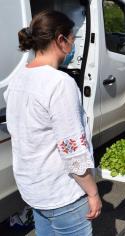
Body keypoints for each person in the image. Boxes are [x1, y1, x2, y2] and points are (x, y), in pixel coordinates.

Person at [4, 10, 101, 235]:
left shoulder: (18, 79)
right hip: (63, 194)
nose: (73, 44)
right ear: (60, 40)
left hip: (35, 191)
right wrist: (93, 192)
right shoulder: (59, 83)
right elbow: (73, 151)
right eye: (73, 38)